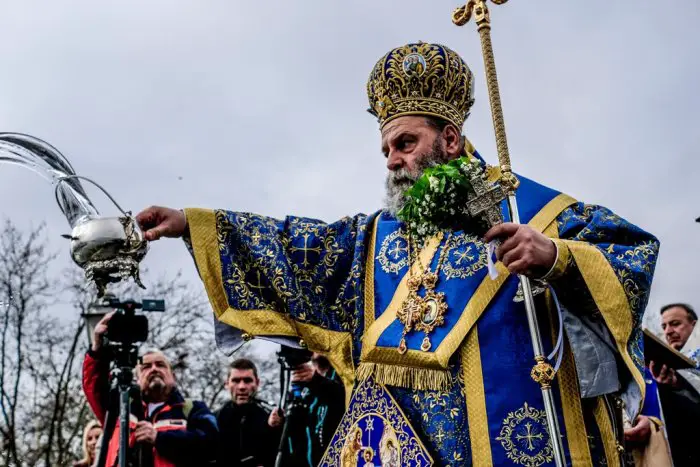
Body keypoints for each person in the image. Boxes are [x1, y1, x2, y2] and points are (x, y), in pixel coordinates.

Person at [134, 41, 660, 465]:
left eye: (405, 143)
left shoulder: (536, 213)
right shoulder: (373, 241)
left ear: (450, 139)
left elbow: (632, 257)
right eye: (386, 149)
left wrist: (556, 258)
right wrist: (192, 226)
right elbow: (299, 248)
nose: (391, 160)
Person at [82, 312, 219, 467]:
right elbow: (95, 387)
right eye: (146, 367)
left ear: (172, 375)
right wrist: (97, 347)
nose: (154, 369)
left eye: (160, 365)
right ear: (137, 377)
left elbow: (211, 443)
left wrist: (159, 438)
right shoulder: (121, 408)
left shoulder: (193, 409)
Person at [267, 352, 345, 466]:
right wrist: (279, 423)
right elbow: (297, 439)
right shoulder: (301, 389)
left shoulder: (346, 377)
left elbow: (346, 398)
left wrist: (316, 380)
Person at [646, 303, 700, 466]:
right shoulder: (662, 369)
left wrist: (679, 386)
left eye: (675, 324)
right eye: (664, 326)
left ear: (694, 325)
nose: (668, 331)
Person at [215, 358, 280, 466]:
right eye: (236, 381)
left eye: (247, 380)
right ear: (227, 384)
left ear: (257, 383)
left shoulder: (271, 421)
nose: (242, 387)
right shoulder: (214, 420)